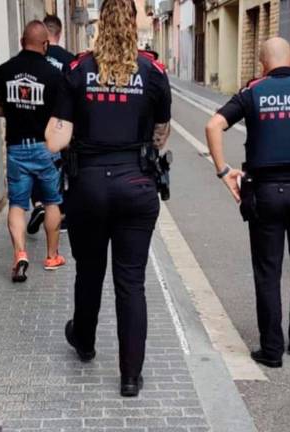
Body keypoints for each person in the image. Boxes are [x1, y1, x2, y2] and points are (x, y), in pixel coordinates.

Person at [45, 0, 171, 397]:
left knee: (90, 270)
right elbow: (161, 133)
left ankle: (84, 341)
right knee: (131, 281)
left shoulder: (78, 70)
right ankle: (130, 376)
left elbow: (56, 140)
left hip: (89, 188)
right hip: (136, 185)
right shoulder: (152, 71)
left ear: (100, 23)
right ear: (134, 23)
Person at [205, 38, 290, 369]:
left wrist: (224, 171)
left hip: (264, 193)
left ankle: (271, 349)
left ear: (262, 64)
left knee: (267, 270)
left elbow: (213, 124)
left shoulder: (252, 92)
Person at [0, 21, 66, 282]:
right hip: (45, 148)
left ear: (22, 42)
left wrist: (15, 111)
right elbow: (62, 115)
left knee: (18, 205)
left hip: (16, 148)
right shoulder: (54, 74)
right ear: (45, 44)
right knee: (53, 201)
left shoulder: (4, 70)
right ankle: (52, 255)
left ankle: (20, 254)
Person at [28, 14, 76, 235]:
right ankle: (60, 213)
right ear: (60, 33)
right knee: (61, 168)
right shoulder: (70, 60)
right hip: (60, 125)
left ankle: (38, 205)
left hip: (33, 124)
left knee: (35, 167)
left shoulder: (32, 58)